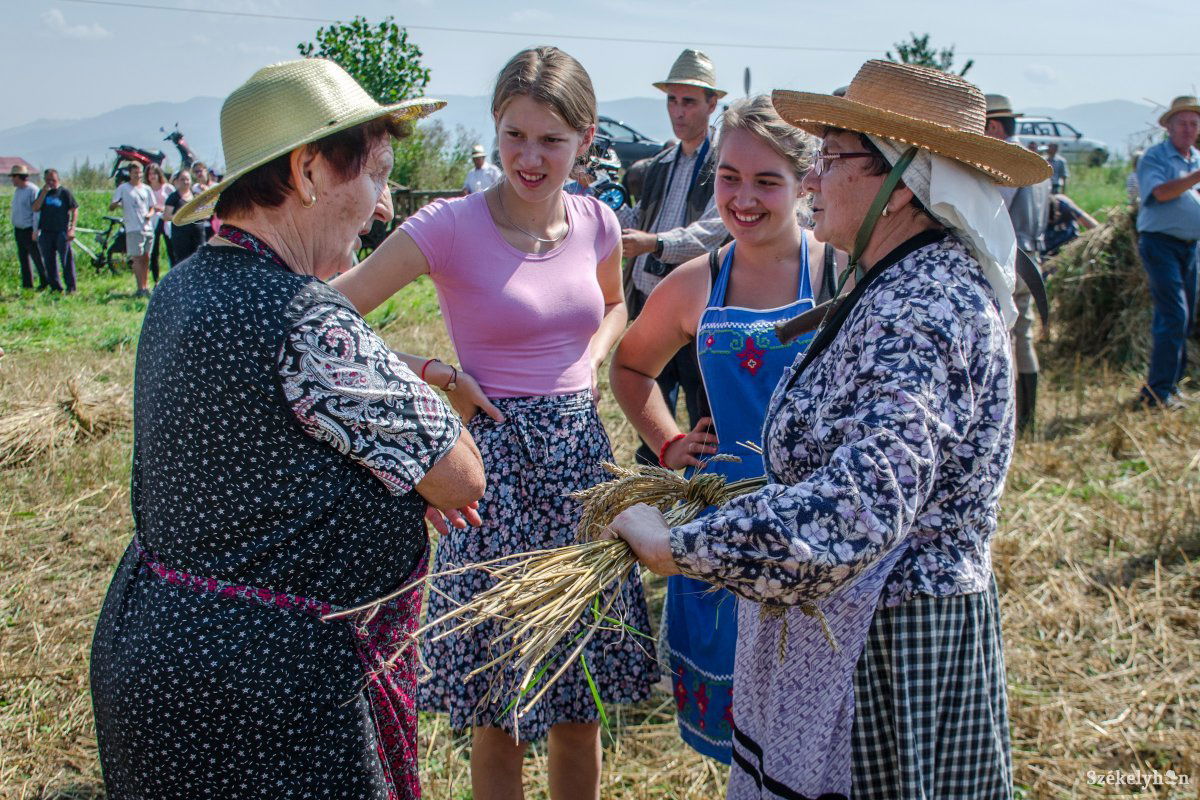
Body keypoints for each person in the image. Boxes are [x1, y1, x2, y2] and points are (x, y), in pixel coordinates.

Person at [605, 59, 1051, 799]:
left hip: (893, 655)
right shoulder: (891, 282)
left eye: (831, 159)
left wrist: (676, 545)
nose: (813, 180)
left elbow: (855, 510)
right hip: (852, 637)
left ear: (902, 180)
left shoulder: (927, 306)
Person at [89, 58, 485, 800]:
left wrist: (380, 367)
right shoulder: (306, 317)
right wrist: (415, 379)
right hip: (269, 697)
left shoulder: (185, 287)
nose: (383, 206)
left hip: (159, 655)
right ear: (307, 172)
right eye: (375, 174)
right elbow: (461, 474)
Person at [332, 46, 658, 800]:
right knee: (500, 708)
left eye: (551, 139)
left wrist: (592, 359)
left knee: (580, 704)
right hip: (493, 479)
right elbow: (327, 317)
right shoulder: (449, 225)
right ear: (495, 130)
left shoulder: (599, 221)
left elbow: (614, 304)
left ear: (586, 138)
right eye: (515, 135)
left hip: (583, 470)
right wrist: (435, 375)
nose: (530, 157)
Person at [610, 96, 823, 764]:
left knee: (813, 737)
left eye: (767, 181)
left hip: (813, 529)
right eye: (729, 177)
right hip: (718, 528)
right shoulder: (694, 282)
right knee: (742, 751)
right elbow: (629, 367)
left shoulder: (840, 272)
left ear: (803, 182)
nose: (745, 198)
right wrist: (670, 442)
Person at [617, 48, 731, 465]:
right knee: (652, 409)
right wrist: (603, 199)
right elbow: (637, 219)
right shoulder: (660, 163)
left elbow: (712, 230)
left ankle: (704, 500)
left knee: (706, 416)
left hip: (702, 306)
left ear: (712, 104)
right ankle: (652, 495)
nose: (678, 112)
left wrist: (654, 243)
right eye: (672, 100)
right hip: (651, 302)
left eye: (689, 101)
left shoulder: (723, 161)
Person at [986, 93, 1050, 433]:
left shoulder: (1007, 166)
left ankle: (1009, 420)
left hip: (1009, 261)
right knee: (1023, 337)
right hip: (1033, 259)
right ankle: (1028, 419)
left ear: (995, 126)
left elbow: (994, 215)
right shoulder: (1036, 162)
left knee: (1004, 340)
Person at [1134, 95, 1200, 408]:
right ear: (1169, 127)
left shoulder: (1195, 159)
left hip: (1192, 246)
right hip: (1160, 243)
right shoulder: (1155, 157)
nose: (1188, 129)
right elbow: (1160, 193)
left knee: (1183, 320)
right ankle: (1157, 394)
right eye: (1182, 123)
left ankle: (1171, 387)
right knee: (1174, 315)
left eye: (1193, 124)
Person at [110, 162, 157, 297]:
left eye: (140, 172)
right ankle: (139, 287)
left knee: (146, 258)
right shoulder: (123, 188)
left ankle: (145, 286)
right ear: (130, 173)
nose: (138, 175)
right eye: (135, 172)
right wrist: (115, 205)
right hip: (133, 228)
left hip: (147, 228)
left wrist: (150, 214)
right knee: (137, 258)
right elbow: (113, 205)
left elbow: (152, 207)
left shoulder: (147, 189)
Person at [32, 168, 79, 293]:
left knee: (66, 260)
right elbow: (35, 208)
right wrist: (43, 193)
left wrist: (72, 228)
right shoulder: (43, 193)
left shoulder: (64, 193)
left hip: (61, 231)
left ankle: (71, 288)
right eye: (48, 180)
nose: (50, 182)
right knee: (49, 261)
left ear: (58, 179)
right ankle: (55, 287)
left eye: (52, 180)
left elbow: (74, 209)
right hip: (46, 232)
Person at [9, 164, 47, 290]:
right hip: (19, 229)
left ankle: (45, 282)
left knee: (37, 257)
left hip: (29, 229)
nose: (12, 179)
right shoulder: (18, 191)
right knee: (23, 259)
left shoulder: (32, 190)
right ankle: (27, 285)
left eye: (13, 177)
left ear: (19, 177)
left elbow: (36, 212)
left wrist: (36, 230)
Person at [162, 169, 204, 263]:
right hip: (181, 236)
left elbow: (205, 213)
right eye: (182, 179)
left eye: (187, 179)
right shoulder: (173, 197)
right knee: (183, 262)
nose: (185, 182)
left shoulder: (196, 196)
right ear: (176, 181)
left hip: (197, 234)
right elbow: (166, 216)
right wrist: (182, 218)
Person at [1043, 192, 1099, 257]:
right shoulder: (1034, 214)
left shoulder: (1064, 204)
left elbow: (1092, 225)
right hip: (1046, 254)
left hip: (1071, 246)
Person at [145, 163, 172, 280]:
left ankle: (174, 276)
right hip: (153, 222)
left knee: (171, 249)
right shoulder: (146, 189)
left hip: (166, 221)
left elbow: (175, 202)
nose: (152, 176)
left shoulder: (167, 188)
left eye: (154, 173)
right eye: (150, 174)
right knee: (154, 251)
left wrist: (162, 208)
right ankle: (155, 279)